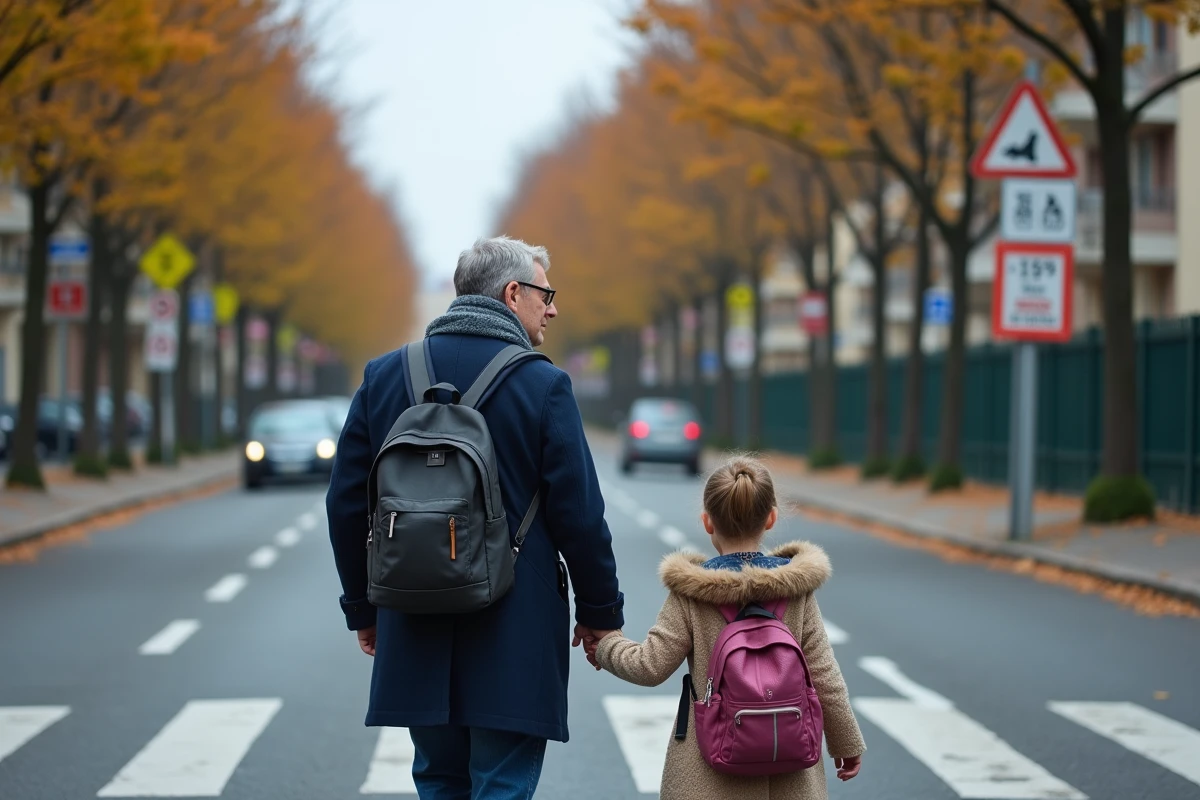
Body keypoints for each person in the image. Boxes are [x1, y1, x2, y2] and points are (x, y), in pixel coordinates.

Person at [327, 235, 624, 799]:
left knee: (438, 779)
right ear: (513, 293)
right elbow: (580, 515)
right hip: (513, 622)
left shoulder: (385, 376)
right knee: (502, 783)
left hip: (412, 615)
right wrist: (599, 612)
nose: (553, 308)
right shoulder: (543, 384)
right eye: (546, 294)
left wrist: (363, 608)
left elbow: (345, 502)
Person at [590, 456, 865, 800]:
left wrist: (605, 644)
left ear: (707, 522)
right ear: (771, 518)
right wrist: (846, 742)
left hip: (709, 772)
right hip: (788, 768)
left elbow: (650, 666)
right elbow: (825, 675)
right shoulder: (797, 591)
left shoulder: (691, 592)